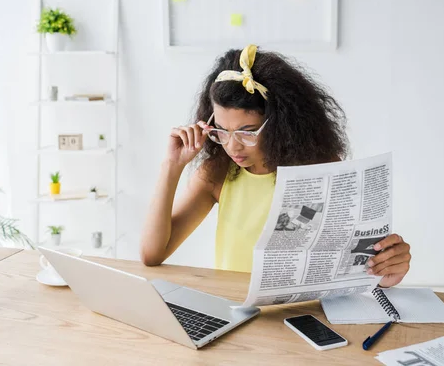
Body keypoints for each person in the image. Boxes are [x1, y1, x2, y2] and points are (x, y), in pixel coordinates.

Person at [140, 44, 411, 288]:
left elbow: (356, 263)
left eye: (247, 132)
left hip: (302, 316)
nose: (232, 147)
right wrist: (171, 166)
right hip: (235, 311)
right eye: (221, 131)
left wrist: (388, 267)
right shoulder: (218, 173)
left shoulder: (321, 168)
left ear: (281, 126)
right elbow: (153, 254)